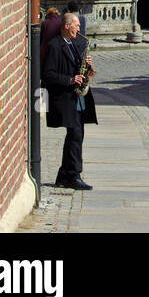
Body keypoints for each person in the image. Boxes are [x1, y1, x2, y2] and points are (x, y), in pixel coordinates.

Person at [42, 11, 96, 190]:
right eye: (76, 25)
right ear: (67, 26)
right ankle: (73, 175)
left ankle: (64, 174)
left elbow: (79, 70)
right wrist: (69, 80)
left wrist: (87, 66)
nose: (79, 29)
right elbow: (48, 75)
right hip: (65, 99)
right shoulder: (55, 45)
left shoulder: (74, 44)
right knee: (75, 135)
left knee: (76, 136)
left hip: (77, 98)